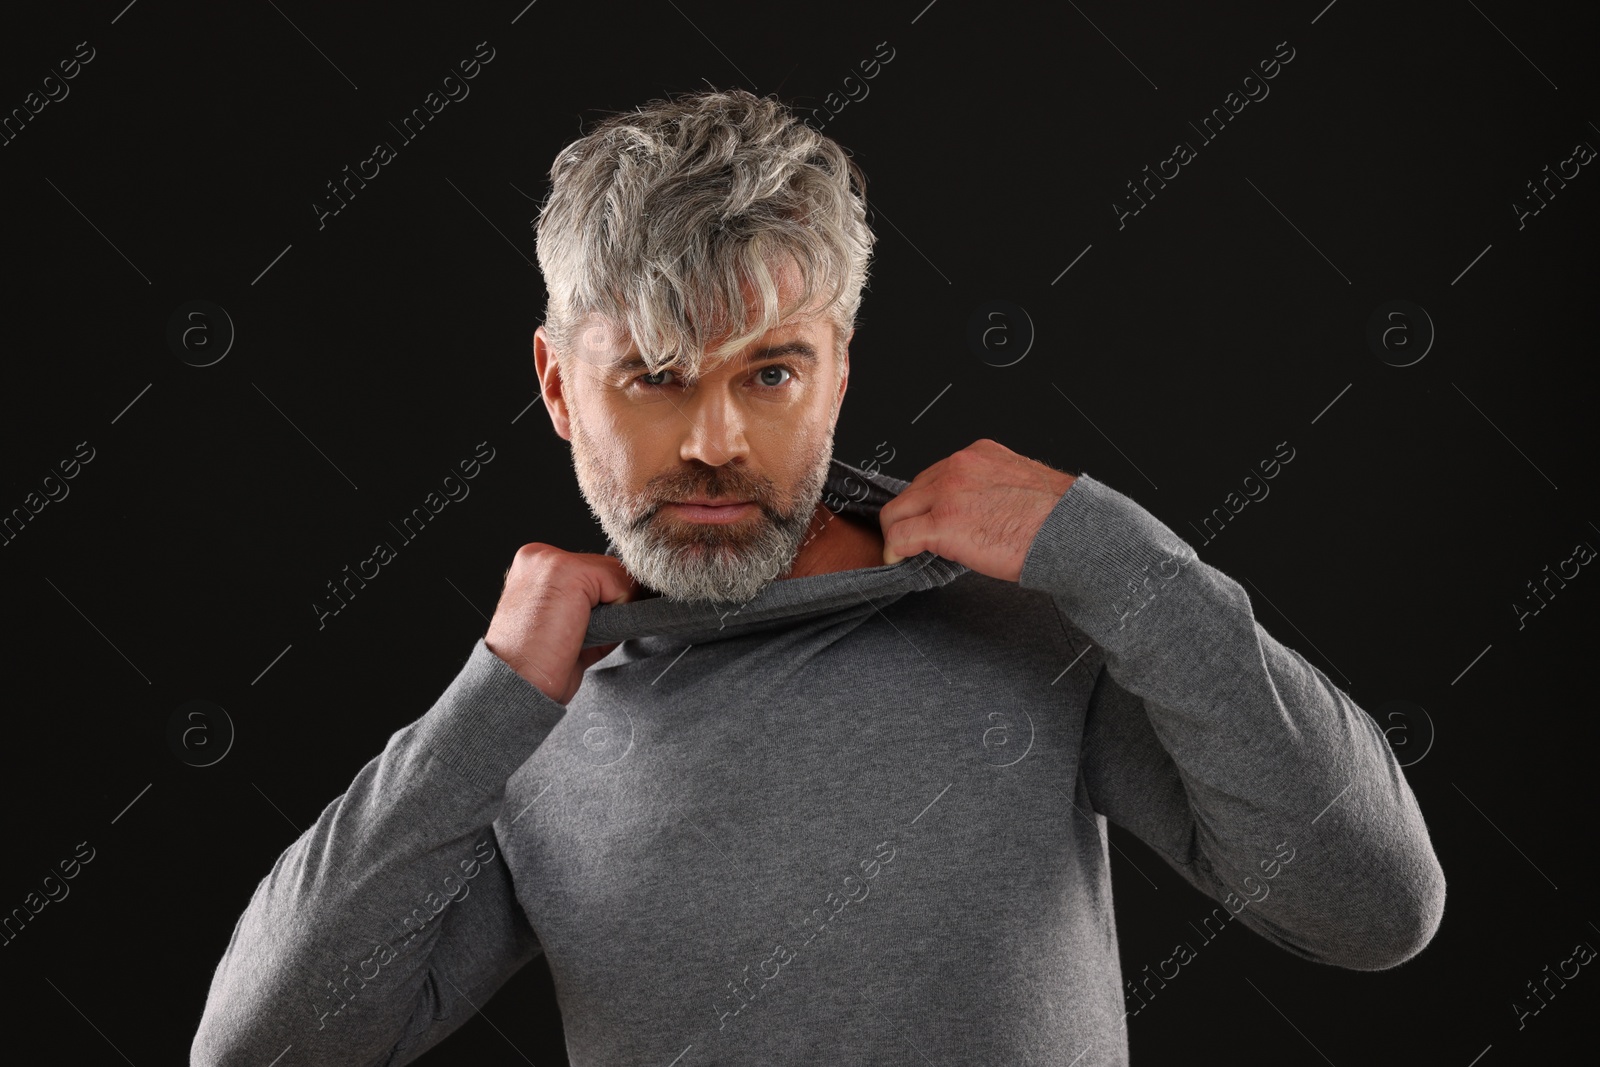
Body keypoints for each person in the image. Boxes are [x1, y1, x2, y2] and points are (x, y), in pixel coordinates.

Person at [190, 88, 1445, 1066]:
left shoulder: (1030, 613)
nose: (716, 441)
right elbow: (262, 1047)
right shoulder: (527, 725)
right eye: (656, 375)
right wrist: (486, 699)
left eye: (770, 372)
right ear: (558, 385)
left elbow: (1375, 904)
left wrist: (1119, 556)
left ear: (838, 369)